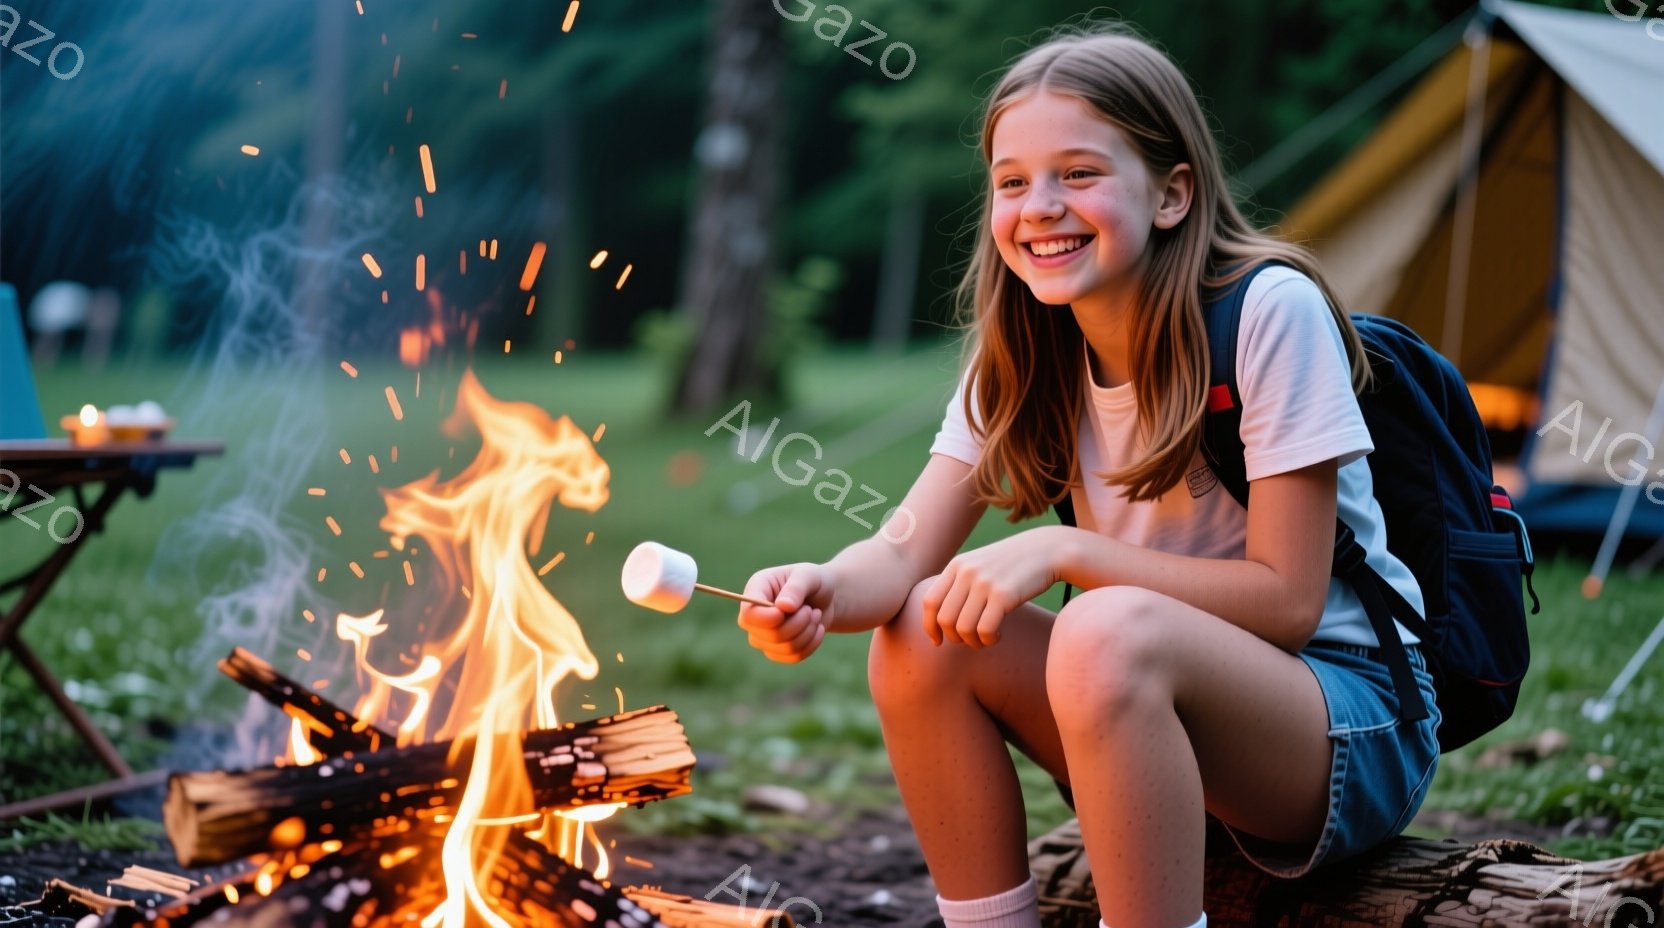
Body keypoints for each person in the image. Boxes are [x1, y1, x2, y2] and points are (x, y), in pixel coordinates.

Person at [737, 21, 1439, 928]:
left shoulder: (1268, 311)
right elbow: (901, 553)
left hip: (1344, 720)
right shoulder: (1025, 352)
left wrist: (1066, 550)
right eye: (1012, 182)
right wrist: (821, 589)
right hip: (1143, 712)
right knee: (920, 630)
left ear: (1172, 194)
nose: (1040, 206)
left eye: (1080, 173)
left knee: (1102, 628)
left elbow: (1287, 602)